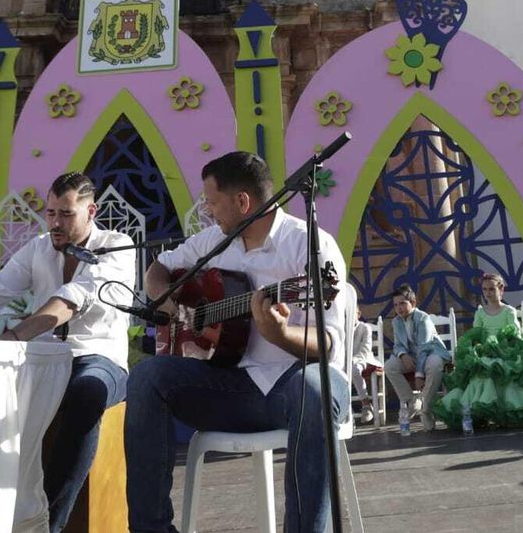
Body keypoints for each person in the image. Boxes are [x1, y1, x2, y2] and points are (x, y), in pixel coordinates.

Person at [125, 151, 349, 533]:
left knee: (311, 389)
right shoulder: (213, 242)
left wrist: (280, 334)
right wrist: (168, 300)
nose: (209, 213)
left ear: (242, 201)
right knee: (147, 377)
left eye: (212, 203)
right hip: (232, 387)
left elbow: (327, 344)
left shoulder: (309, 246)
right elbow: (158, 268)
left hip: (293, 388)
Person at [0, 172, 133, 533]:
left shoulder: (117, 245)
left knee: (86, 392)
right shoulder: (39, 247)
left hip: (99, 358)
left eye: (66, 214)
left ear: (91, 211)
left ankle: (50, 524)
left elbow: (71, 301)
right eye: (50, 214)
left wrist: (16, 335)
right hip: (42, 360)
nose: (55, 223)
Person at [433, 272, 523, 429]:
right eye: (485, 290)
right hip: (485, 351)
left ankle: (504, 411)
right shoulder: (480, 312)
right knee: (481, 369)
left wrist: (500, 346)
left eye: (492, 289)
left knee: (495, 367)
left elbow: (515, 334)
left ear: (501, 290)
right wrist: (479, 346)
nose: (488, 293)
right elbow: (476, 334)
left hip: (505, 352)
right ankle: (479, 411)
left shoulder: (508, 311)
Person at [383, 283, 452, 431]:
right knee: (389, 366)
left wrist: (419, 375)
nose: (399, 308)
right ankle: (412, 400)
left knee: (434, 365)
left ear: (413, 302)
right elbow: (398, 345)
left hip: (431, 353)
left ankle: (425, 408)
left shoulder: (422, 318)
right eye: (395, 305)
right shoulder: (396, 321)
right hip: (412, 357)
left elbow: (424, 347)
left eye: (402, 303)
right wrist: (403, 356)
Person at [349, 296, 384, 426]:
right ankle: (346, 409)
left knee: (354, 370)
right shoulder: (341, 329)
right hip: (346, 361)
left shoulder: (364, 328)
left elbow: (365, 349)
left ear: (358, 313)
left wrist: (352, 360)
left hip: (363, 359)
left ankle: (366, 404)